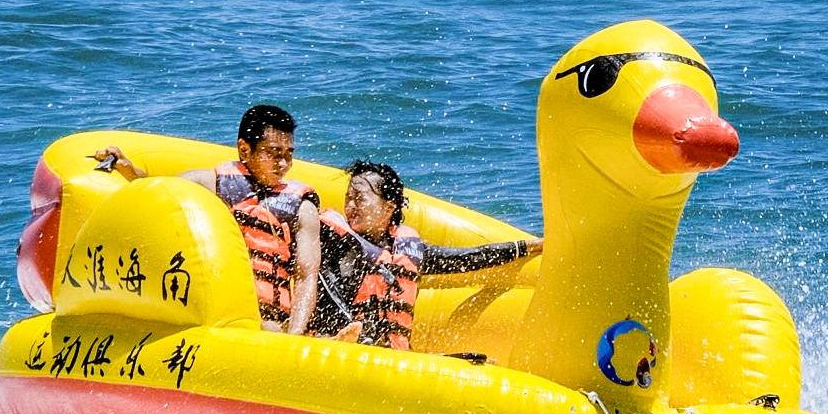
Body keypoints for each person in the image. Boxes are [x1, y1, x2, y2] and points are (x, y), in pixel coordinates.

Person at [94, 104, 322, 335]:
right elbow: (159, 191)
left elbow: (306, 276)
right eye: (273, 153)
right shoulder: (210, 184)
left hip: (273, 320)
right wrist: (129, 171)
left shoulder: (302, 208)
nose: (283, 164)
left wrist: (294, 336)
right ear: (244, 150)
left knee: (270, 327)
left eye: (288, 154)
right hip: (219, 312)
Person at [310, 160, 542, 350]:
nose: (350, 206)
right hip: (333, 344)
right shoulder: (330, 240)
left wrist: (522, 247)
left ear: (389, 207)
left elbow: (466, 258)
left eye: (359, 198)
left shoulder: (409, 251)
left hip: (388, 354)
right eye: (348, 197)